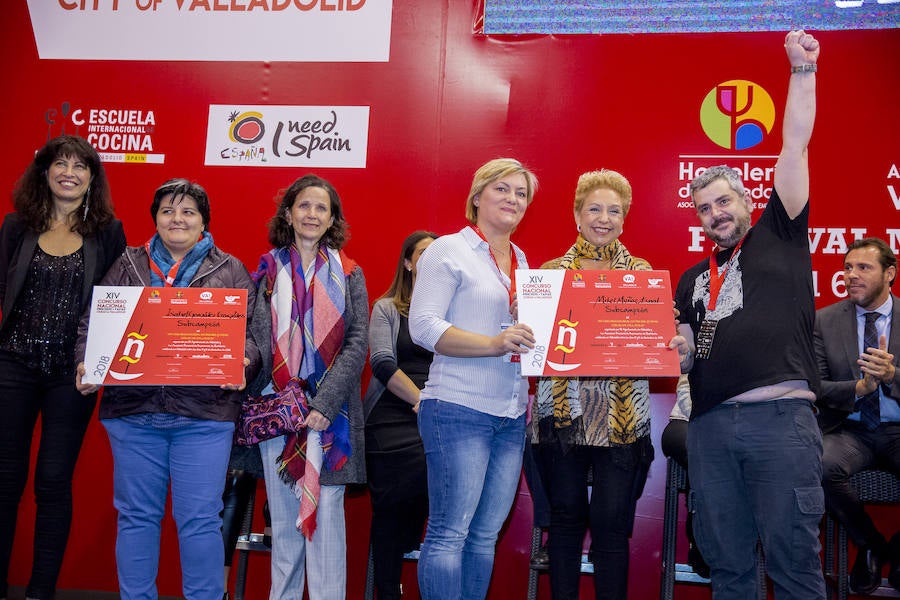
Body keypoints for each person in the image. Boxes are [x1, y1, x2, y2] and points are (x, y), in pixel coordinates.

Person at [669, 30, 824, 599]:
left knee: (793, 568)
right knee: (728, 568)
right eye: (705, 208)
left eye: (725, 201)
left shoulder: (780, 231)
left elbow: (796, 145)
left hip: (779, 425)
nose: (716, 213)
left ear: (748, 202)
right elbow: (683, 350)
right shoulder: (689, 279)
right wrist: (655, 343)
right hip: (709, 429)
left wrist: (801, 71)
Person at [74, 178, 259, 600]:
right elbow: (93, 323)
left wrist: (243, 361)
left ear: (203, 222)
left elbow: (254, 334)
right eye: (168, 211)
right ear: (155, 219)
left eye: (188, 211)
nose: (177, 219)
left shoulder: (229, 269)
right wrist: (85, 361)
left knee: (200, 520)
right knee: (137, 517)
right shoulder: (127, 264)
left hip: (204, 416)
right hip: (134, 413)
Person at [0, 135, 125, 600]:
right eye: (60, 163)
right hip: (11, 365)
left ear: (92, 178)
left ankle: (40, 592)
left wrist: (97, 363)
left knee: (53, 481)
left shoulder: (109, 232)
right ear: (45, 172)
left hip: (71, 375)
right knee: (5, 480)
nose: (69, 171)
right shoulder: (16, 226)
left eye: (80, 165)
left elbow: (118, 304)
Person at [409, 157, 538, 600]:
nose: (513, 199)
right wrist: (495, 342)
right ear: (477, 196)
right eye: (502, 189)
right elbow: (422, 327)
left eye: (521, 193)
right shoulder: (449, 249)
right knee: (449, 533)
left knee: (483, 537)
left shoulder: (521, 259)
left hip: (510, 413)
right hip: (457, 407)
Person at [532, 169, 654, 600]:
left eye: (614, 211)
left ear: (624, 219)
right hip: (562, 416)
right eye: (594, 209)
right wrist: (525, 319)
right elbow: (535, 348)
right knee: (565, 520)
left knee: (610, 525)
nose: (604, 218)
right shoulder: (547, 274)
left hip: (621, 420)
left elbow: (647, 345)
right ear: (577, 215)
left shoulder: (642, 275)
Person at [246, 174, 368, 600]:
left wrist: (324, 402)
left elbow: (357, 342)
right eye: (304, 205)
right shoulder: (264, 271)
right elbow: (256, 339)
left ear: (332, 218)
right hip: (278, 413)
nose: (312, 214)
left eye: (322, 207)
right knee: (283, 525)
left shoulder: (349, 273)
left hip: (331, 418)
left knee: (327, 521)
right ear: (289, 214)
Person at [814, 237, 900, 595]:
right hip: (848, 430)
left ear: (889, 274)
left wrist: (893, 377)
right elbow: (815, 386)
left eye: (863, 268)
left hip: (897, 428)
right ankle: (871, 546)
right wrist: (860, 388)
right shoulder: (825, 320)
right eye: (848, 268)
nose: (852, 275)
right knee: (818, 464)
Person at [363, 230, 437, 599]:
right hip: (393, 413)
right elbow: (381, 362)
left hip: (442, 415)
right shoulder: (388, 307)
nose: (432, 259)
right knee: (392, 502)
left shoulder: (453, 314)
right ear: (407, 263)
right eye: (423, 253)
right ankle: (388, 590)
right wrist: (421, 400)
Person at [659, 374, 709, 579]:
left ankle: (720, 539)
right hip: (686, 420)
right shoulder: (701, 341)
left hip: (736, 425)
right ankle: (700, 539)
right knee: (704, 448)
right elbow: (685, 388)